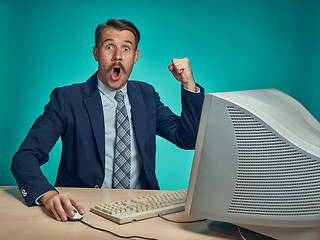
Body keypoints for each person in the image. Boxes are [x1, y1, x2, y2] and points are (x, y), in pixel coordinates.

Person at [11, 19, 204, 222]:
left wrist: (188, 84)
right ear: (96, 53)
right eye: (109, 47)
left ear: (135, 56)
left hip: (142, 210)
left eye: (126, 49)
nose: (117, 57)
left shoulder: (146, 95)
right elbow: (24, 158)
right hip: (84, 210)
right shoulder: (66, 99)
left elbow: (187, 139)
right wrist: (48, 196)